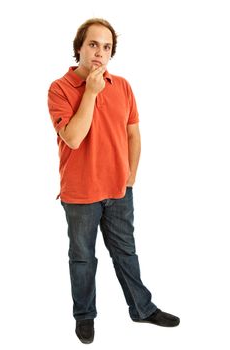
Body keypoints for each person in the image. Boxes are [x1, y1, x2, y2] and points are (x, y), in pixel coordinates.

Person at [48, 18, 180, 344]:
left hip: (119, 191)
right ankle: (85, 316)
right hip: (80, 194)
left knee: (126, 253)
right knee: (82, 259)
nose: (100, 53)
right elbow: (74, 138)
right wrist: (91, 92)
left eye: (106, 47)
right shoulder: (59, 89)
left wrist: (130, 177)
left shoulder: (122, 86)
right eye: (93, 44)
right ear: (79, 47)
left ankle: (142, 309)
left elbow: (133, 134)